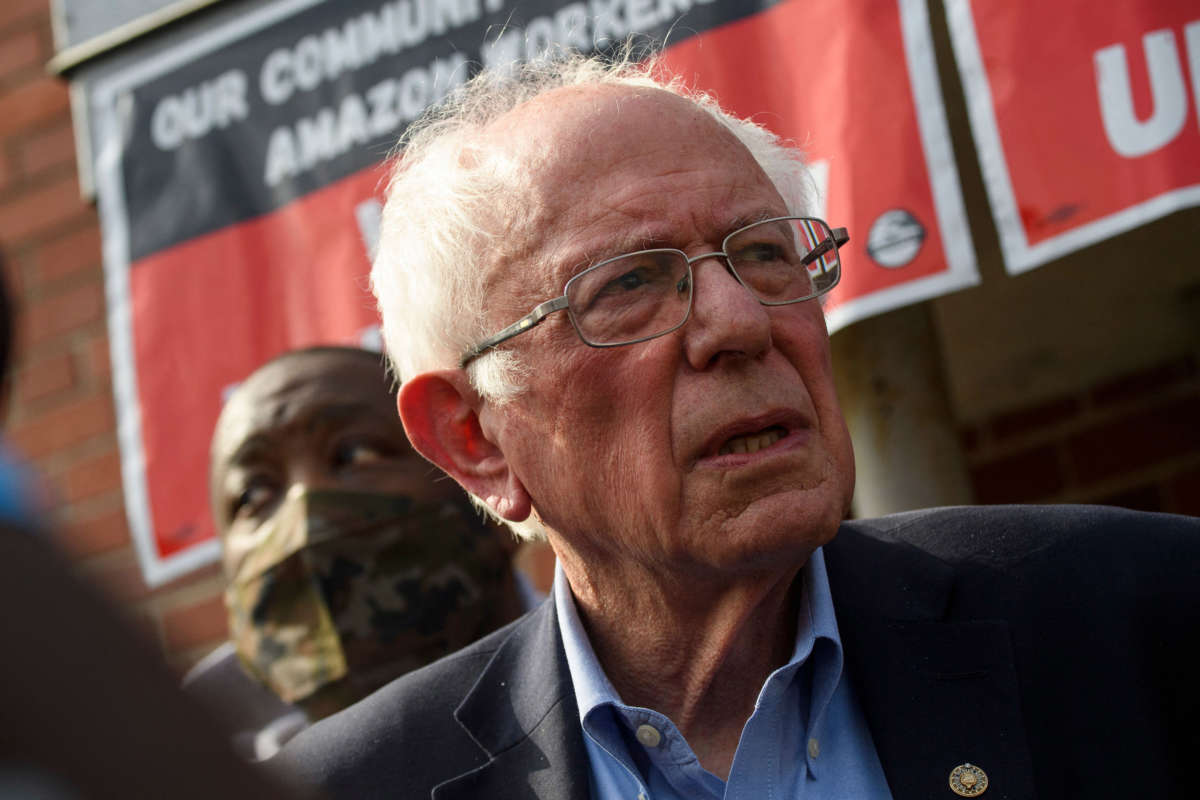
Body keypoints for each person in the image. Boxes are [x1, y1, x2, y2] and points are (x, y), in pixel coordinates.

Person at [279, 53, 1200, 799]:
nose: (741, 322)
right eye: (631, 284)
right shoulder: (345, 788)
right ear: (473, 440)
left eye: (763, 253)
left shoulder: (1135, 620)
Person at [188, 345, 535, 760]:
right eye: (254, 494)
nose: (306, 519)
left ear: (485, 487)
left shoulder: (621, 700)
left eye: (356, 454)